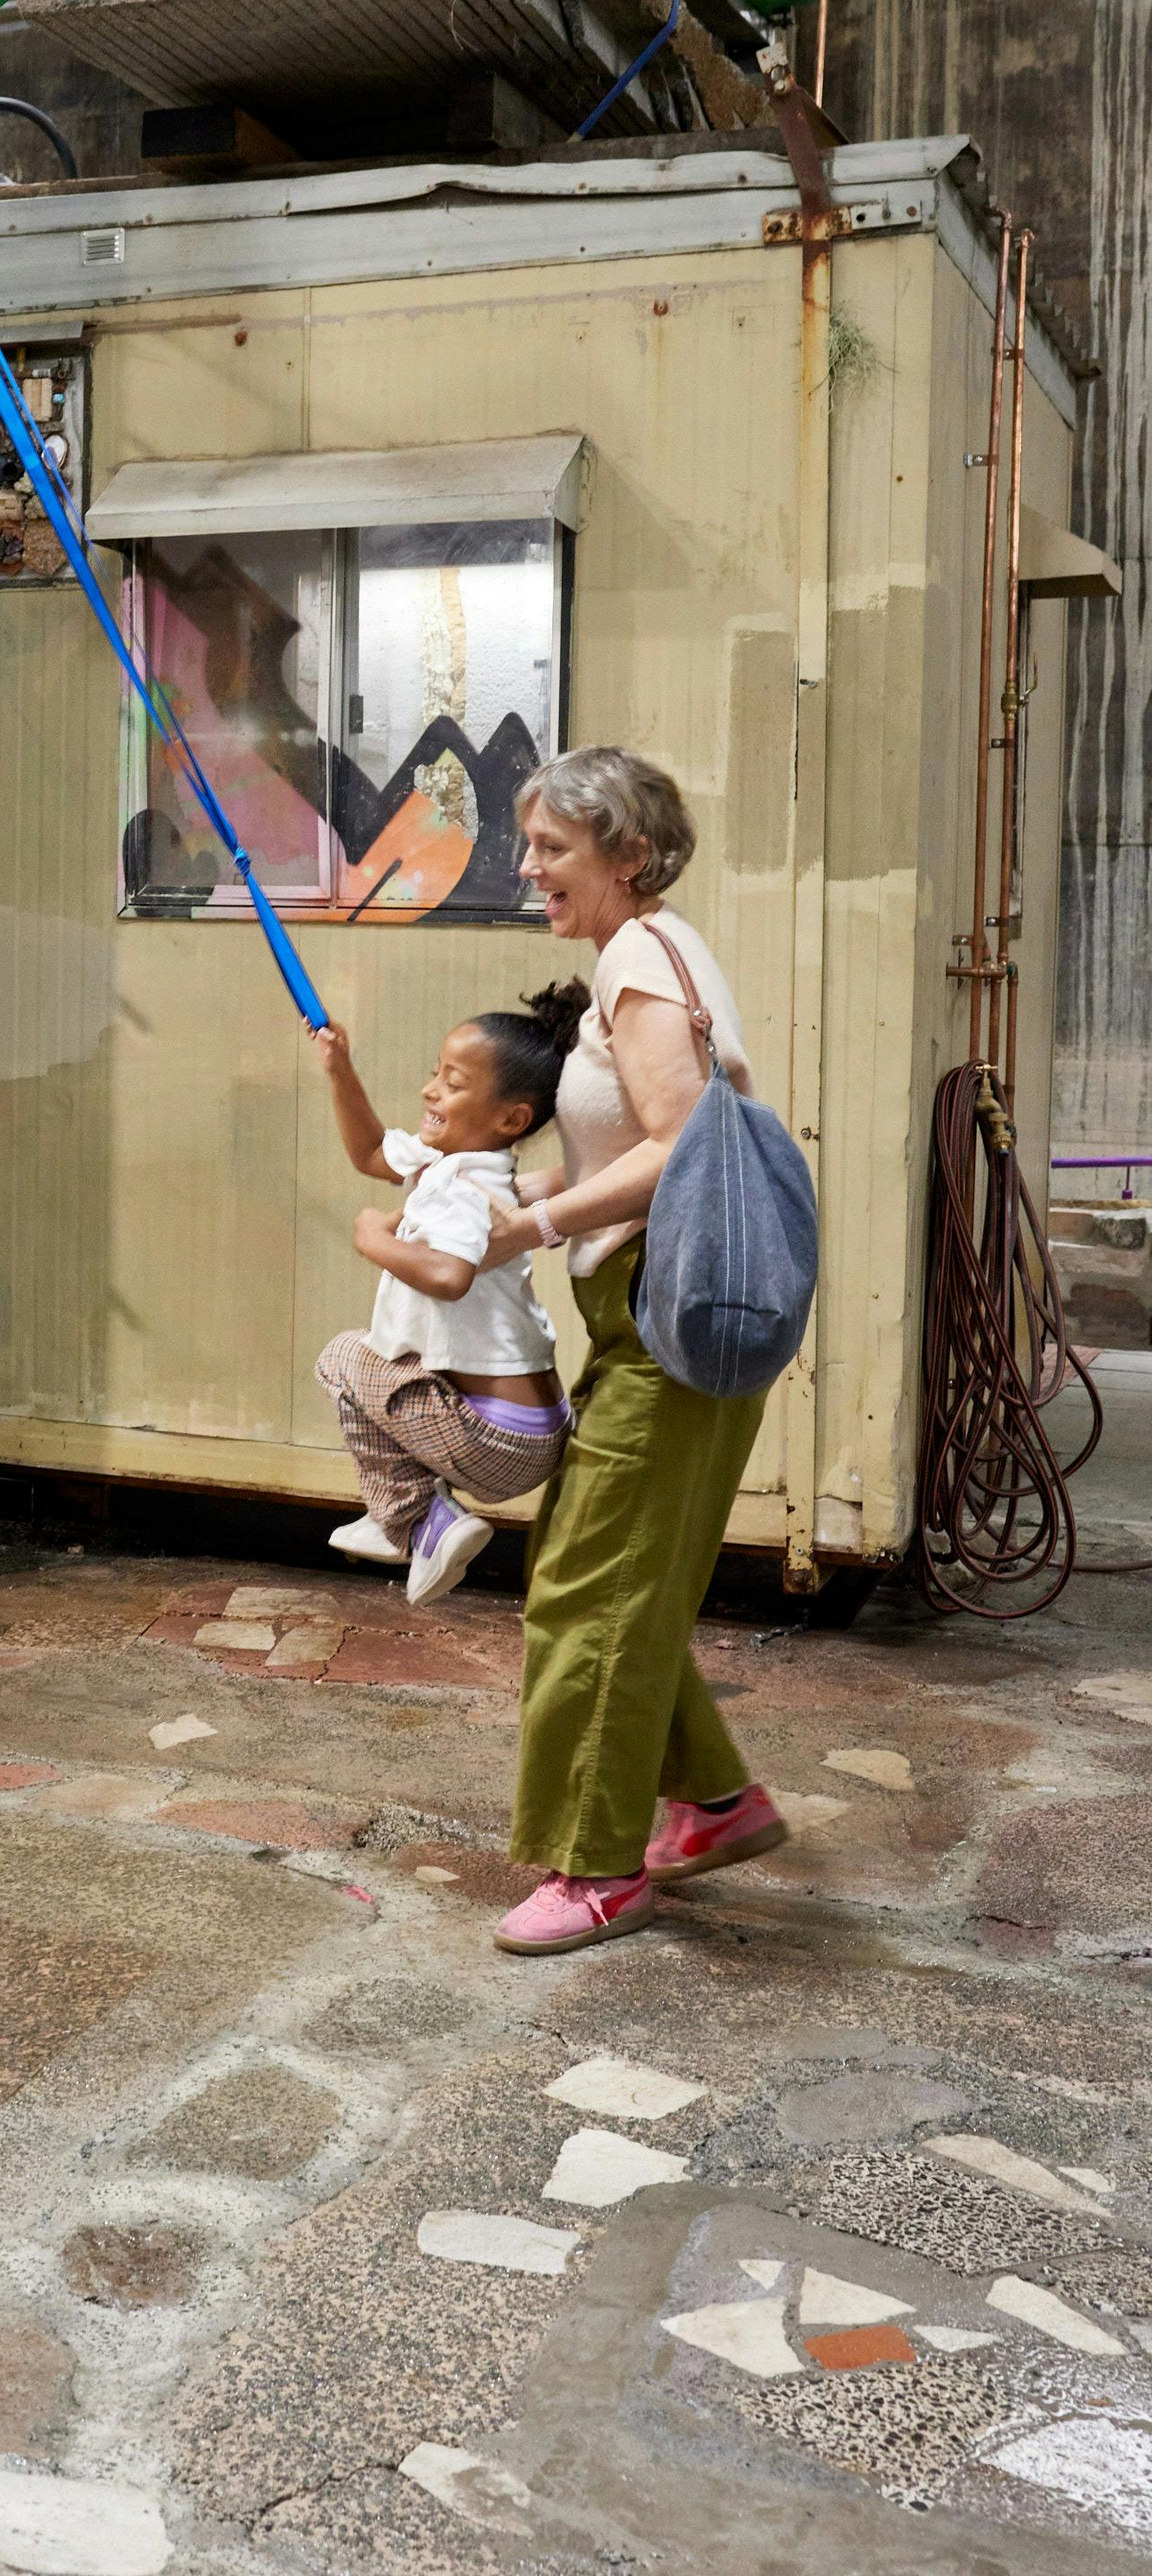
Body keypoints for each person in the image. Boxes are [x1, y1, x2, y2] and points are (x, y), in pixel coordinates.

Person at [475, 745, 789, 1957]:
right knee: (599, 1566)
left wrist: (538, 1223)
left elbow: (687, 1139)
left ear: (628, 854)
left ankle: (597, 1869)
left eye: (553, 845)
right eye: (530, 843)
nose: (529, 866)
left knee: (589, 1590)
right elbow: (626, 1153)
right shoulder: (639, 959)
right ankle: (715, 1802)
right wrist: (492, 1197)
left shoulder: (643, 967)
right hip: (655, 1316)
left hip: (672, 1318)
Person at [312, 996, 584, 1605]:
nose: (430, 1090)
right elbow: (372, 1154)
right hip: (527, 1430)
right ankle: (400, 1515)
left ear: (511, 1120)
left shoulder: (466, 1186)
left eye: (453, 1083)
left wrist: (371, 1239)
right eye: (436, 1072)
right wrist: (340, 1068)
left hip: (495, 1442)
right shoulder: (451, 1162)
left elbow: (450, 1275)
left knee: (343, 1358)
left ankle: (420, 1521)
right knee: (380, 1362)